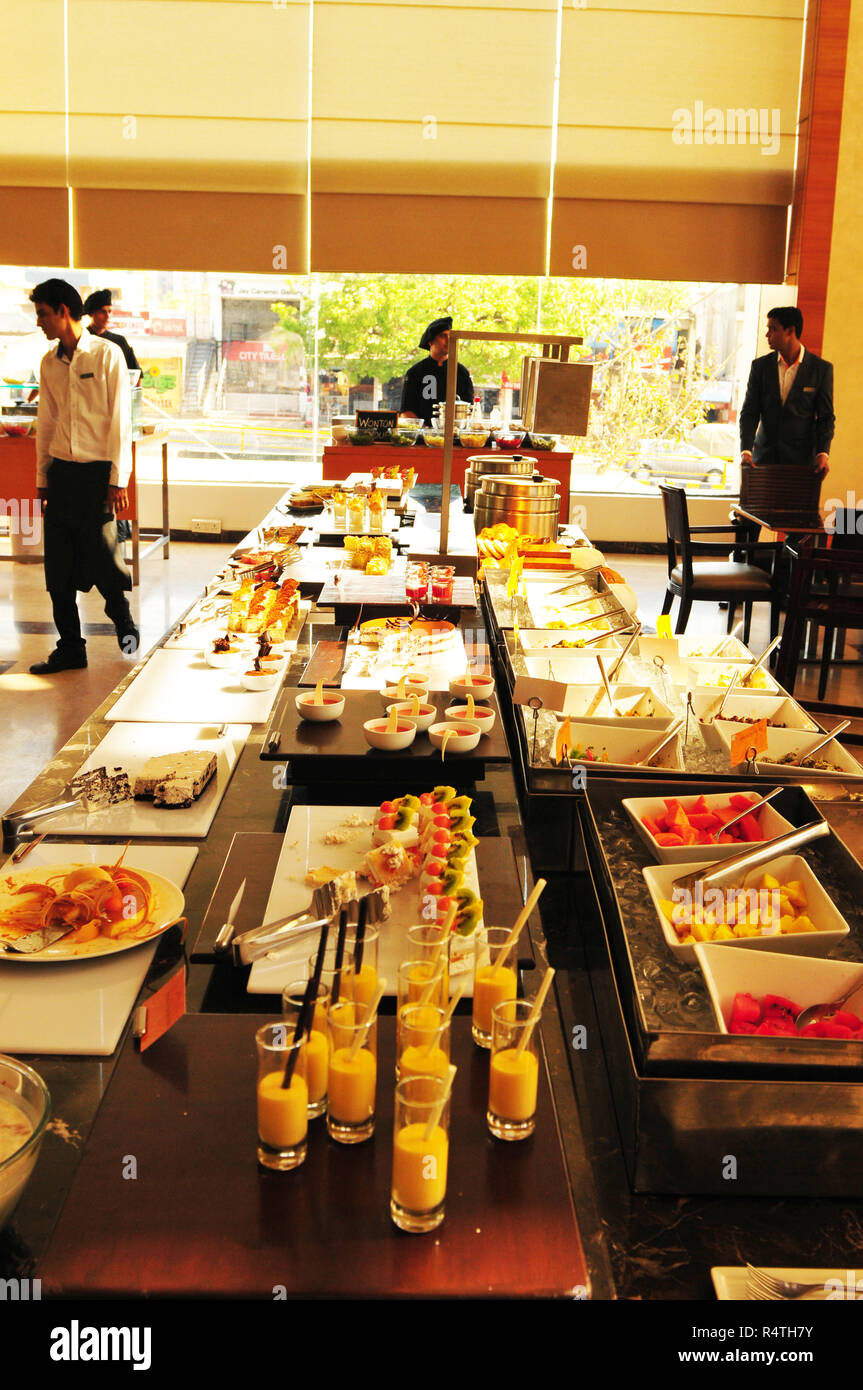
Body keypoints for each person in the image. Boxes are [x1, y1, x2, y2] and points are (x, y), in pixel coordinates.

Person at [28, 279, 139, 674]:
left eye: (43, 313)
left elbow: (120, 422)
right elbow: (46, 421)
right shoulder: (48, 361)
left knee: (102, 558)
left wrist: (117, 478)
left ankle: (123, 620)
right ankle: (71, 648)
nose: (39, 322)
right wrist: (43, 477)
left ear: (62, 310)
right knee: (57, 565)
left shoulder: (107, 355)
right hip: (62, 474)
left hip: (96, 475)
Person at [738, 306, 834, 481]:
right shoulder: (760, 367)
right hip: (763, 461)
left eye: (773, 329)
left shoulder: (821, 369)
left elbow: (825, 417)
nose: (767, 335)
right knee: (758, 509)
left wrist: (822, 453)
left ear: (790, 331)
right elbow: (749, 412)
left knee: (796, 508)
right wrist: (746, 451)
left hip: (802, 463)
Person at [400, 316, 474, 426]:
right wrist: (427, 432)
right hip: (423, 438)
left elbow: (470, 410)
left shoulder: (461, 372)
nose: (448, 340)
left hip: (454, 437)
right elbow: (406, 411)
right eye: (443, 336)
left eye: (450, 336)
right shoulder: (415, 372)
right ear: (430, 341)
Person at [82, 289, 143, 375]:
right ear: (92, 313)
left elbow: (135, 373)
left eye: (109, 312)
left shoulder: (119, 341)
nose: (107, 316)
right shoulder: (82, 338)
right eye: (103, 312)